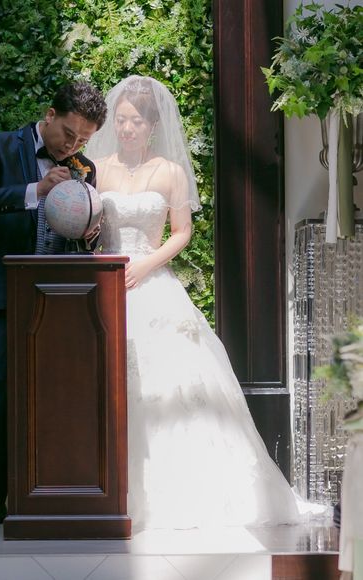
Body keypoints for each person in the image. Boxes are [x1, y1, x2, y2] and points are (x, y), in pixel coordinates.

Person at [85, 75, 325, 530]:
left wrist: (145, 265)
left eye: (136, 121)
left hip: (151, 280)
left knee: (171, 380)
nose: (127, 128)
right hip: (107, 279)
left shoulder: (170, 172)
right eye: (121, 120)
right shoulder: (97, 169)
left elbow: (182, 233)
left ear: (152, 126)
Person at [0, 81, 107, 528]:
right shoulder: (1, 145)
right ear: (50, 114)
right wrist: (35, 190)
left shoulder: (85, 168)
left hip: (60, 297)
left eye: (83, 141)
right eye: (69, 134)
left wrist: (89, 233)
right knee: (0, 391)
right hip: (3, 292)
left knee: (59, 392)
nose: (73, 146)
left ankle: (54, 492)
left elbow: (80, 232)